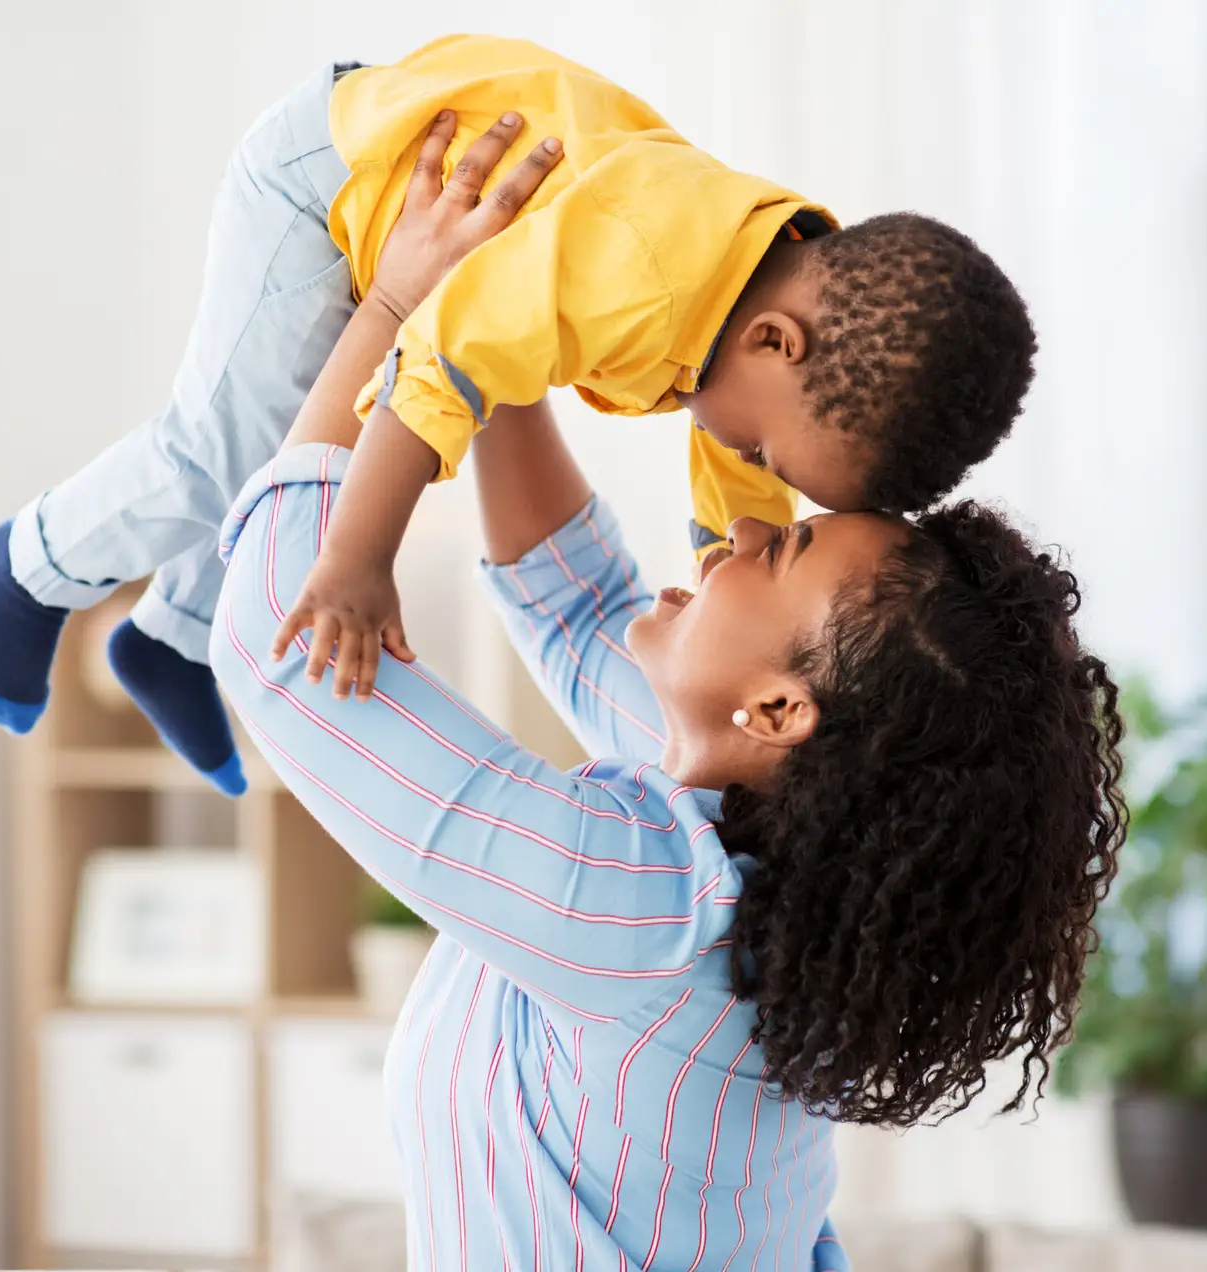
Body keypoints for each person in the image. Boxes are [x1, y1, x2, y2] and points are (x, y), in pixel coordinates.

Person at [212, 122, 1124, 1272]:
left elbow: (280, 650)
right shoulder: (753, 855)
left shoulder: (652, 915)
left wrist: (396, 307)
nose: (743, 530)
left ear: (780, 712)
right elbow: (576, 605)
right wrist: (492, 319)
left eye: (782, 552)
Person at [0, 36, 1038, 795]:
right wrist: (360, 559)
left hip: (407, 212)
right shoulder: (646, 268)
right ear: (776, 343)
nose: (754, 483)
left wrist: (727, 580)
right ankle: (32, 565)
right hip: (335, 183)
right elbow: (439, 359)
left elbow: (739, 501)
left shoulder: (754, 292)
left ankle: (171, 642)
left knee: (272, 447)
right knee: (218, 451)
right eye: (763, 448)